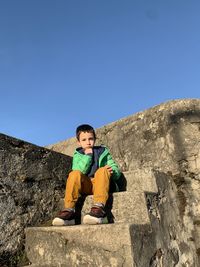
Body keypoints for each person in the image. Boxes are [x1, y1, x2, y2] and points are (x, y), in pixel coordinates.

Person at [52, 124, 121, 226]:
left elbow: (115, 169)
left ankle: (99, 210)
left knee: (102, 170)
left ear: (95, 139)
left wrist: (112, 171)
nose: (88, 142)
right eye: (84, 140)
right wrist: (87, 156)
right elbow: (79, 170)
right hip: (87, 185)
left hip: (102, 184)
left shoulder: (103, 151)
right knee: (74, 173)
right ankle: (69, 211)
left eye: (90, 139)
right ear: (79, 142)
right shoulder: (78, 154)